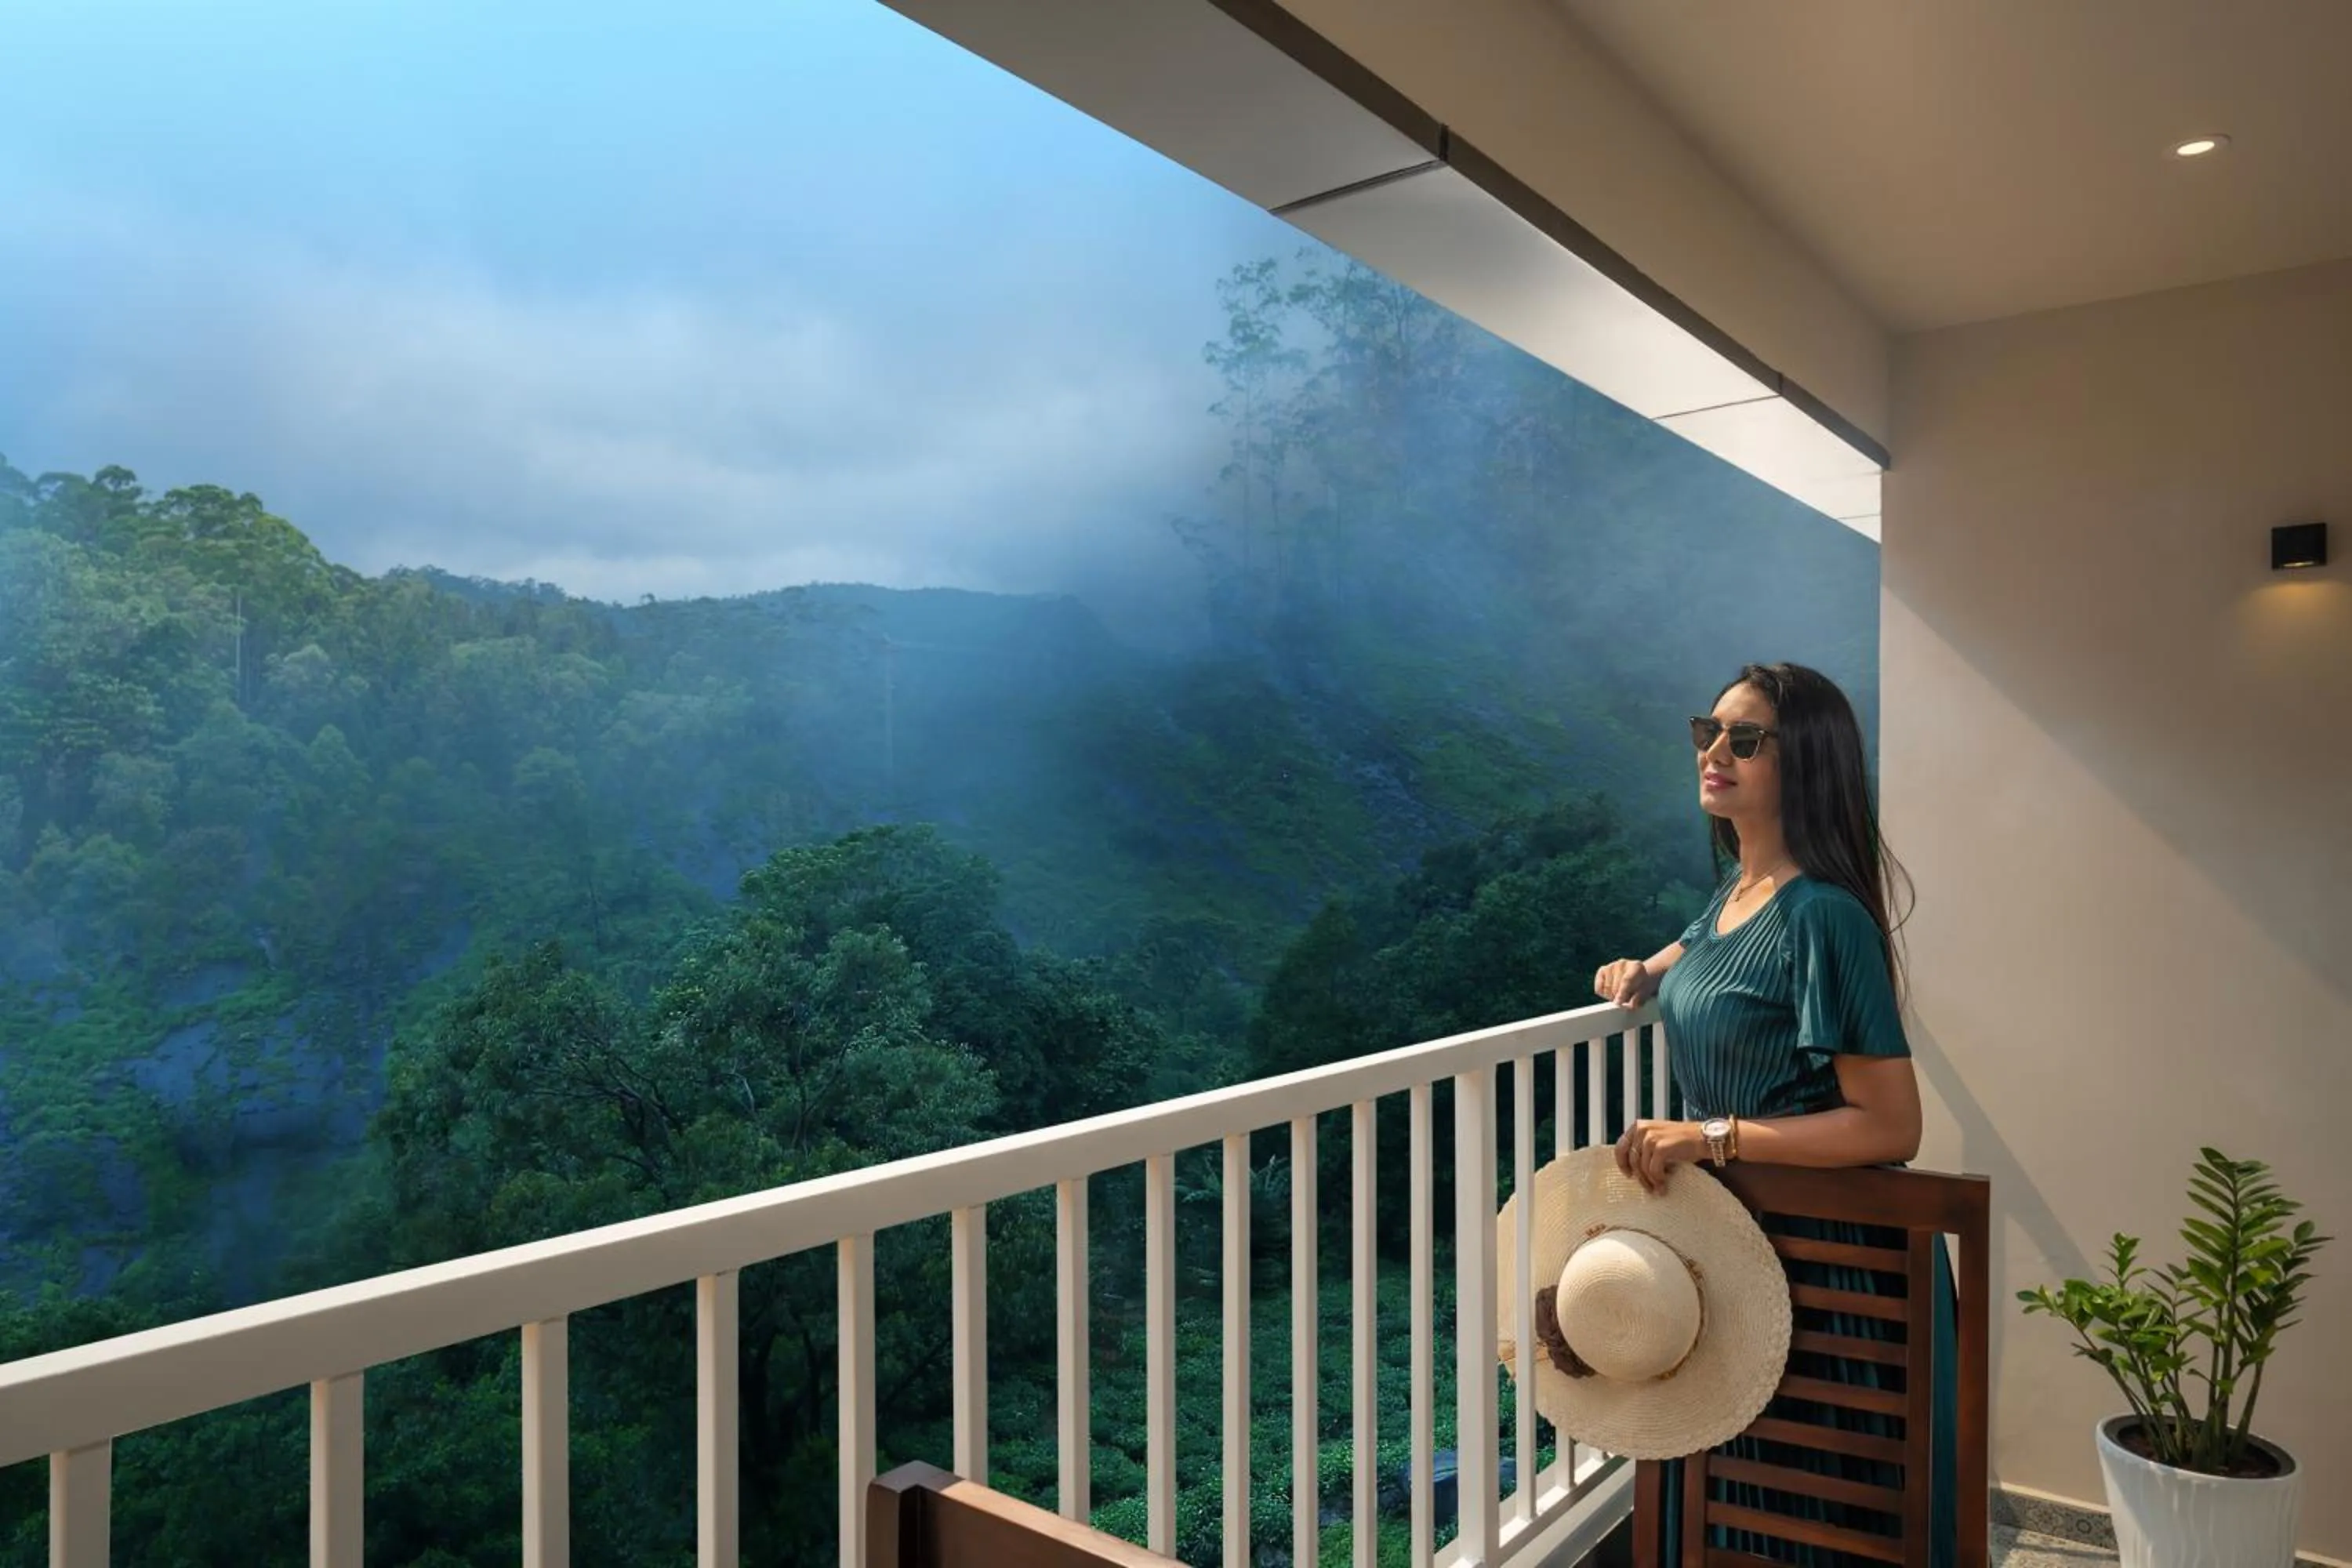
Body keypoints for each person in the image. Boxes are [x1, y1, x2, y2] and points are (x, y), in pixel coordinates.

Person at [1589, 662, 1956, 1568]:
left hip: (1828, 1265)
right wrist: (1646, 967)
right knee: (1733, 1494)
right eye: (1707, 731)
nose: (1714, 752)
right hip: (1739, 1241)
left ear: (1809, 763)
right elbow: (1704, 944)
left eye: (1744, 739)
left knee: (1803, 1510)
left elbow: (1889, 1125)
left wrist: (1707, 1136)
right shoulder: (1738, 893)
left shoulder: (1825, 916)